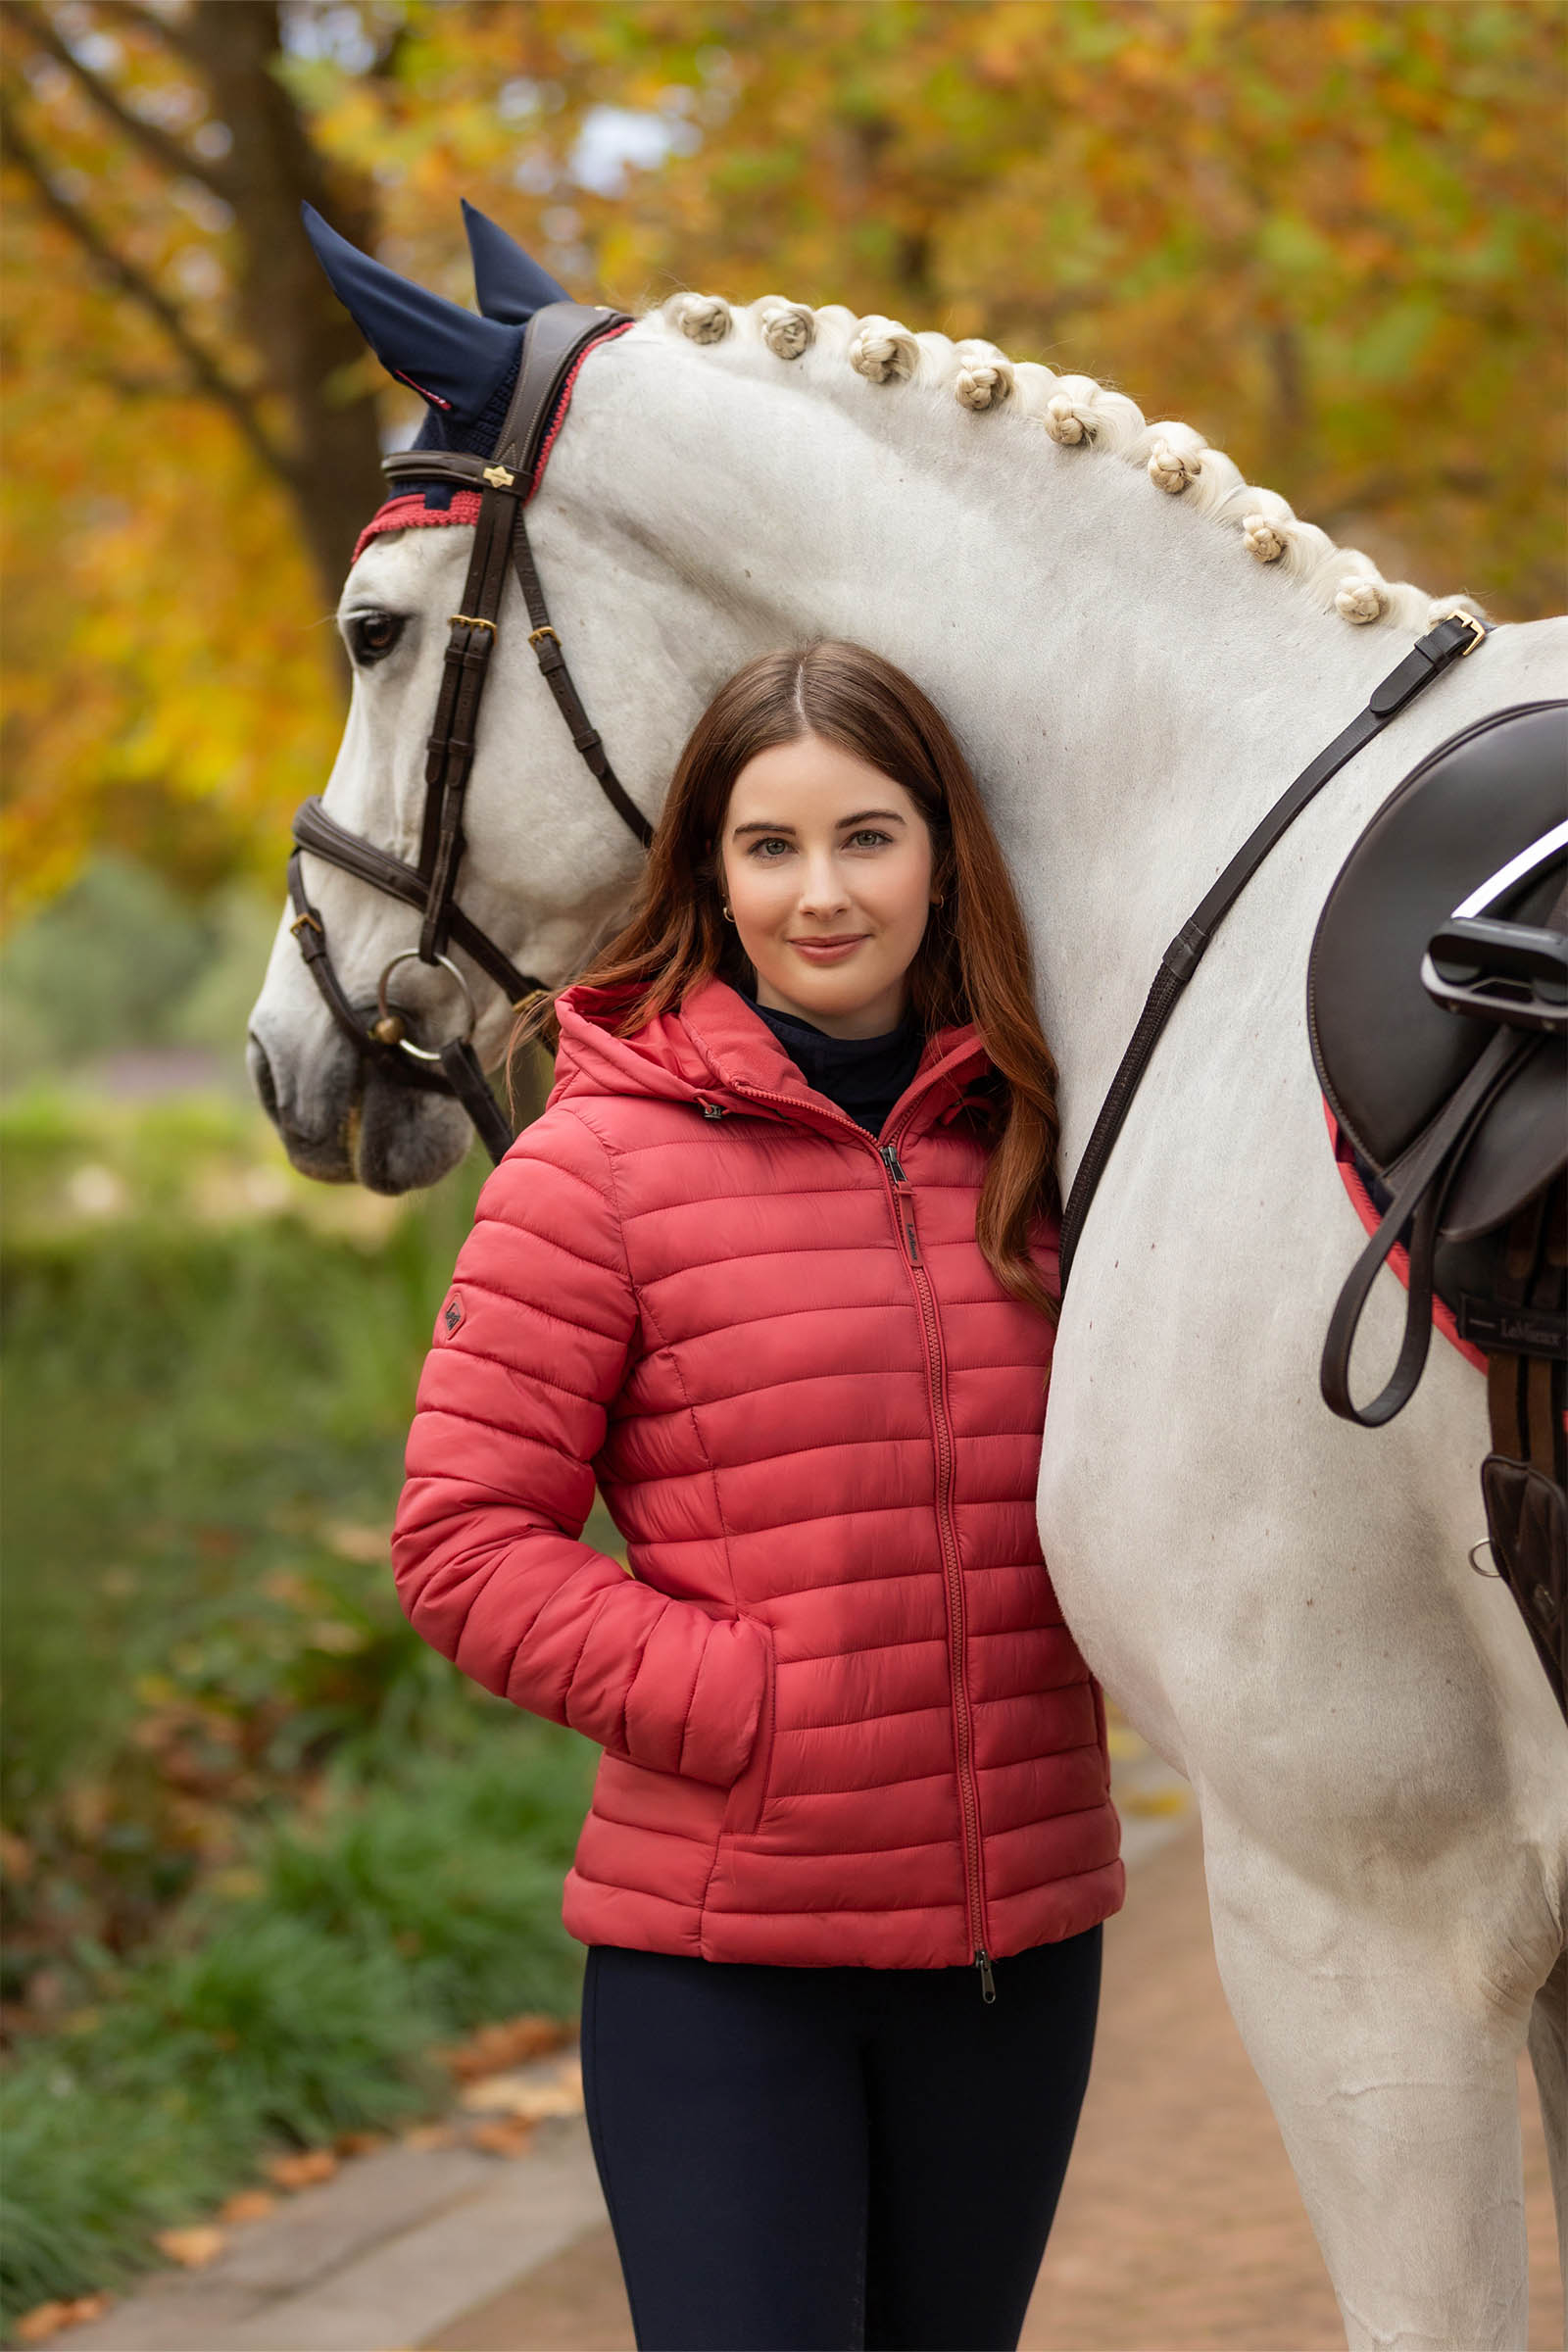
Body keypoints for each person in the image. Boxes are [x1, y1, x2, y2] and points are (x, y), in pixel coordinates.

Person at [389, 639, 1124, 2352]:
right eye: (769, 846)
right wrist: (752, 1703)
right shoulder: (596, 1164)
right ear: (708, 878)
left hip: (1015, 1949)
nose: (821, 894)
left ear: (944, 856)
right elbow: (462, 1544)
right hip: (729, 1963)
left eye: (867, 837)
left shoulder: (1052, 1148)